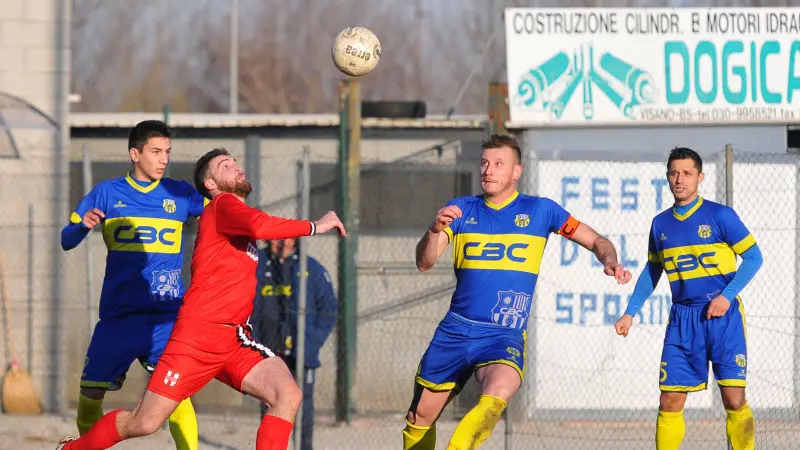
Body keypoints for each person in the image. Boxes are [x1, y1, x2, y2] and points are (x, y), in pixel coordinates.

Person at [56, 147, 347, 450]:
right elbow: (261, 226)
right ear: (211, 184)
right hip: (197, 337)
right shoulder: (222, 205)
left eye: (235, 162)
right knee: (144, 422)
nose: (236, 166)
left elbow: (253, 226)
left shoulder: (235, 215)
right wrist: (316, 225)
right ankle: (71, 449)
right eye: (225, 165)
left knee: (287, 394)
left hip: (232, 338)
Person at [402, 134, 633, 450]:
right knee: (419, 417)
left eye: (499, 164)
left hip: (503, 333)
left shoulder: (541, 211)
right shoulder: (461, 210)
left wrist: (610, 261)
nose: (488, 170)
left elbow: (597, 240)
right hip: (455, 330)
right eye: (485, 163)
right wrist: (433, 231)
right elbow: (424, 262)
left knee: (497, 393)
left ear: (516, 171)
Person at [60, 120, 201, 450]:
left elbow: (223, 211)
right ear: (135, 154)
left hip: (166, 319)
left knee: (177, 395)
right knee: (90, 395)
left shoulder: (181, 193)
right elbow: (66, 239)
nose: (164, 159)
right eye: (156, 152)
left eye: (167, 152)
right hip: (119, 317)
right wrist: (82, 227)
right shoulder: (107, 193)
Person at [614, 147, 763, 450]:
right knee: (669, 400)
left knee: (734, 400)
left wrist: (726, 297)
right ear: (667, 177)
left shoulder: (720, 215)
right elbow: (653, 270)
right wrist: (630, 312)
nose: (679, 179)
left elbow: (753, 258)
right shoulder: (660, 224)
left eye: (686, 173)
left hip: (724, 319)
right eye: (674, 173)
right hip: (682, 320)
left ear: (700, 177)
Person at [252, 238, 338, 450]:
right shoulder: (256, 265)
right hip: (268, 354)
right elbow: (245, 307)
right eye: (278, 239)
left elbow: (329, 308)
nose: (284, 244)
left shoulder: (311, 269)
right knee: (270, 407)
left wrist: (312, 341)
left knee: (303, 409)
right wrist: (253, 342)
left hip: (301, 355)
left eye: (289, 238)